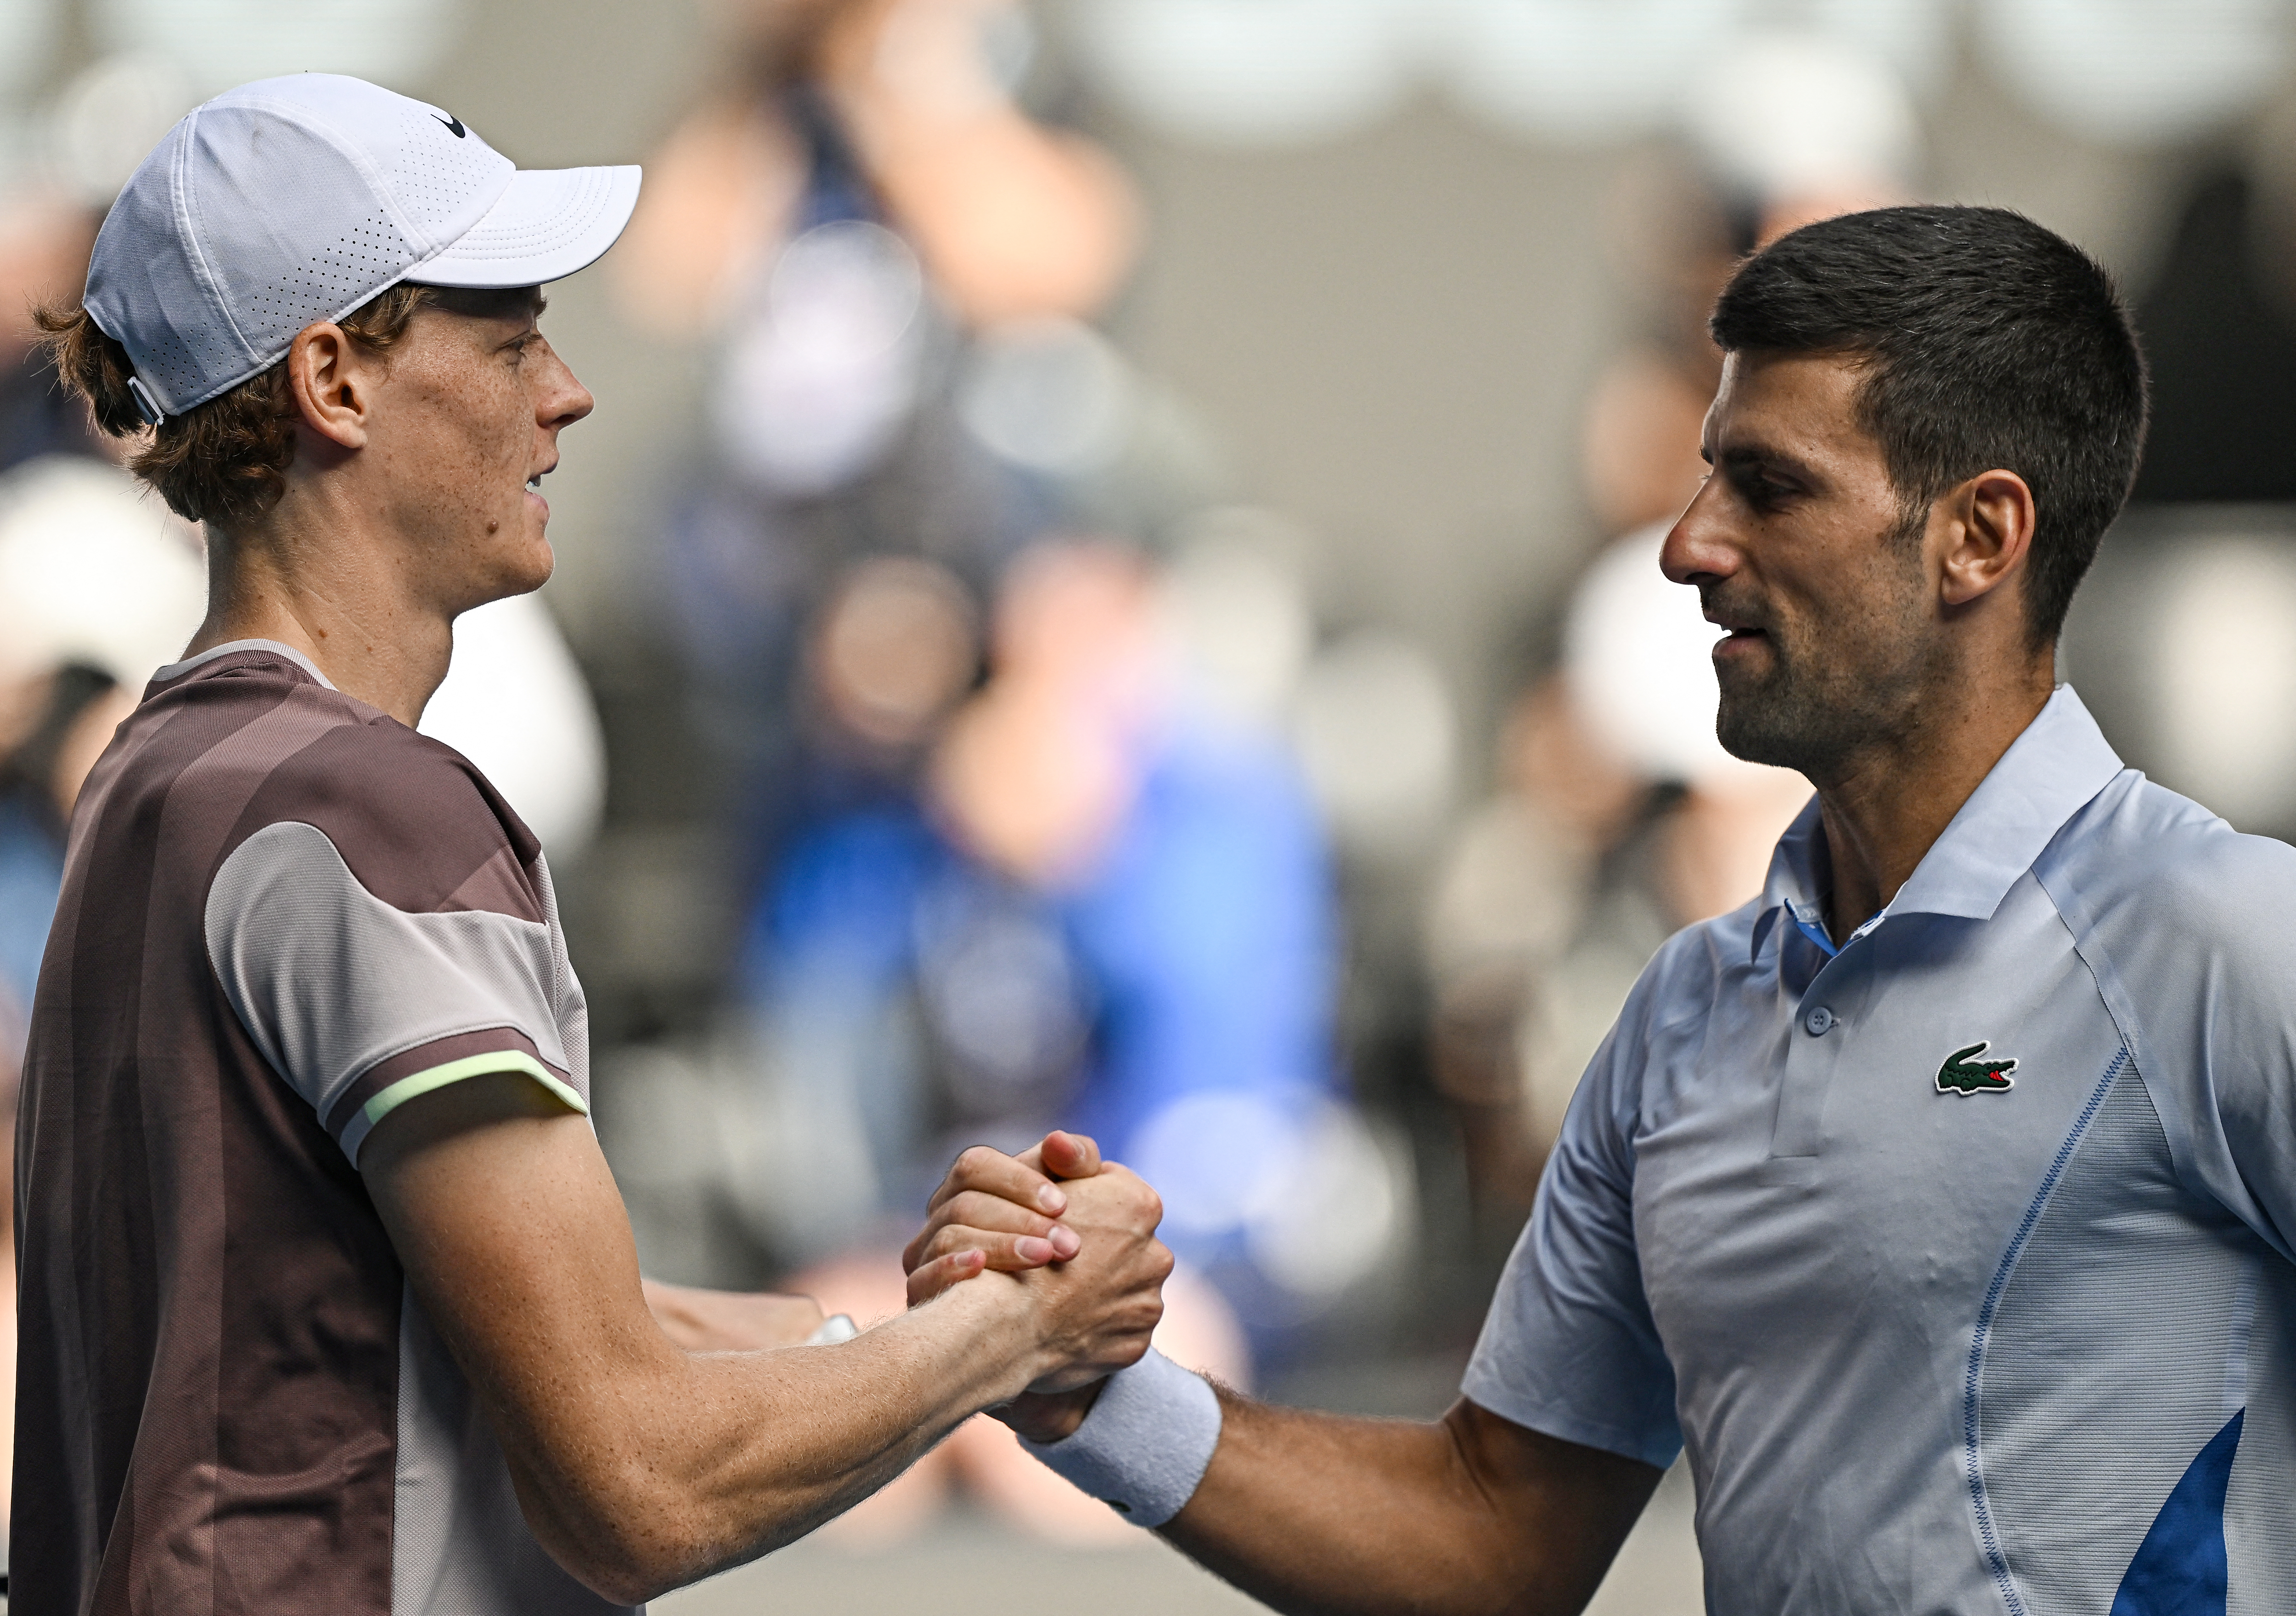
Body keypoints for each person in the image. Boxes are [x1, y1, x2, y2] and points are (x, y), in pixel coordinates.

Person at [907, 205, 2296, 1613]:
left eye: (1768, 487)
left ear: (1977, 537)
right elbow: (1494, 1545)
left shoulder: (2222, 947)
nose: (1688, 545)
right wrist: (1086, 1391)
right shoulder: (1684, 1016)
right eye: (1707, 480)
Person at [13, 73, 1168, 1616]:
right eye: (507, 341)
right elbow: (636, 1482)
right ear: (334, 382)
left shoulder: (161, 779)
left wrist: (925, 1320)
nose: (566, 391)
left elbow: (520, 1325)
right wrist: (1009, 1340)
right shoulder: (374, 812)